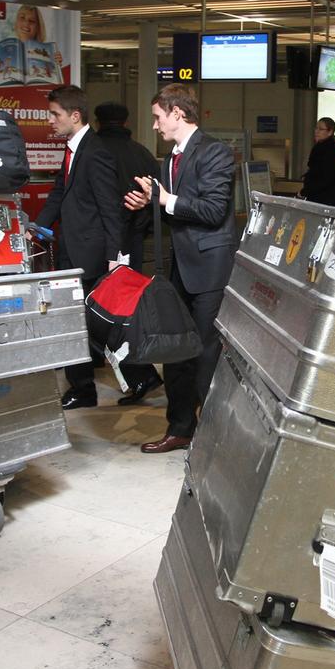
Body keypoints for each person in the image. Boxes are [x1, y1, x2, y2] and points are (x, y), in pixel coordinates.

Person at [123, 84, 236, 454]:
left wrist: (166, 198)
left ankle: (217, 437)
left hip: (209, 270)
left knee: (205, 355)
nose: (154, 125)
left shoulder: (215, 152)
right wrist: (149, 203)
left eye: (157, 117)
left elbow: (213, 210)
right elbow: (177, 212)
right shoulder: (170, 160)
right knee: (175, 352)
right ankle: (181, 428)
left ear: (176, 113)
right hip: (181, 268)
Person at [32, 86, 123, 410]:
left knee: (83, 321)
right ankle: (128, 378)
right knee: (79, 320)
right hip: (71, 249)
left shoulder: (94, 152)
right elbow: (59, 194)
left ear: (75, 115)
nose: (50, 120)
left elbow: (110, 209)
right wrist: (38, 229)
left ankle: (85, 389)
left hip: (90, 254)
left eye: (55, 114)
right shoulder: (72, 149)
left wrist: (116, 259)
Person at [93, 100, 163, 406]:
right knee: (125, 309)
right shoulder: (142, 153)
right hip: (132, 243)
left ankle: (139, 373)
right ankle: (139, 371)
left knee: (101, 308)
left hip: (102, 243)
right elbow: (156, 197)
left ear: (96, 120)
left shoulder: (94, 151)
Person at [300, 117, 335, 207]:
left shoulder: (325, 149)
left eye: (321, 129)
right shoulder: (331, 147)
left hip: (322, 198)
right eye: (316, 128)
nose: (316, 131)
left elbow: (324, 177)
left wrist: (306, 190)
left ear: (330, 132)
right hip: (327, 197)